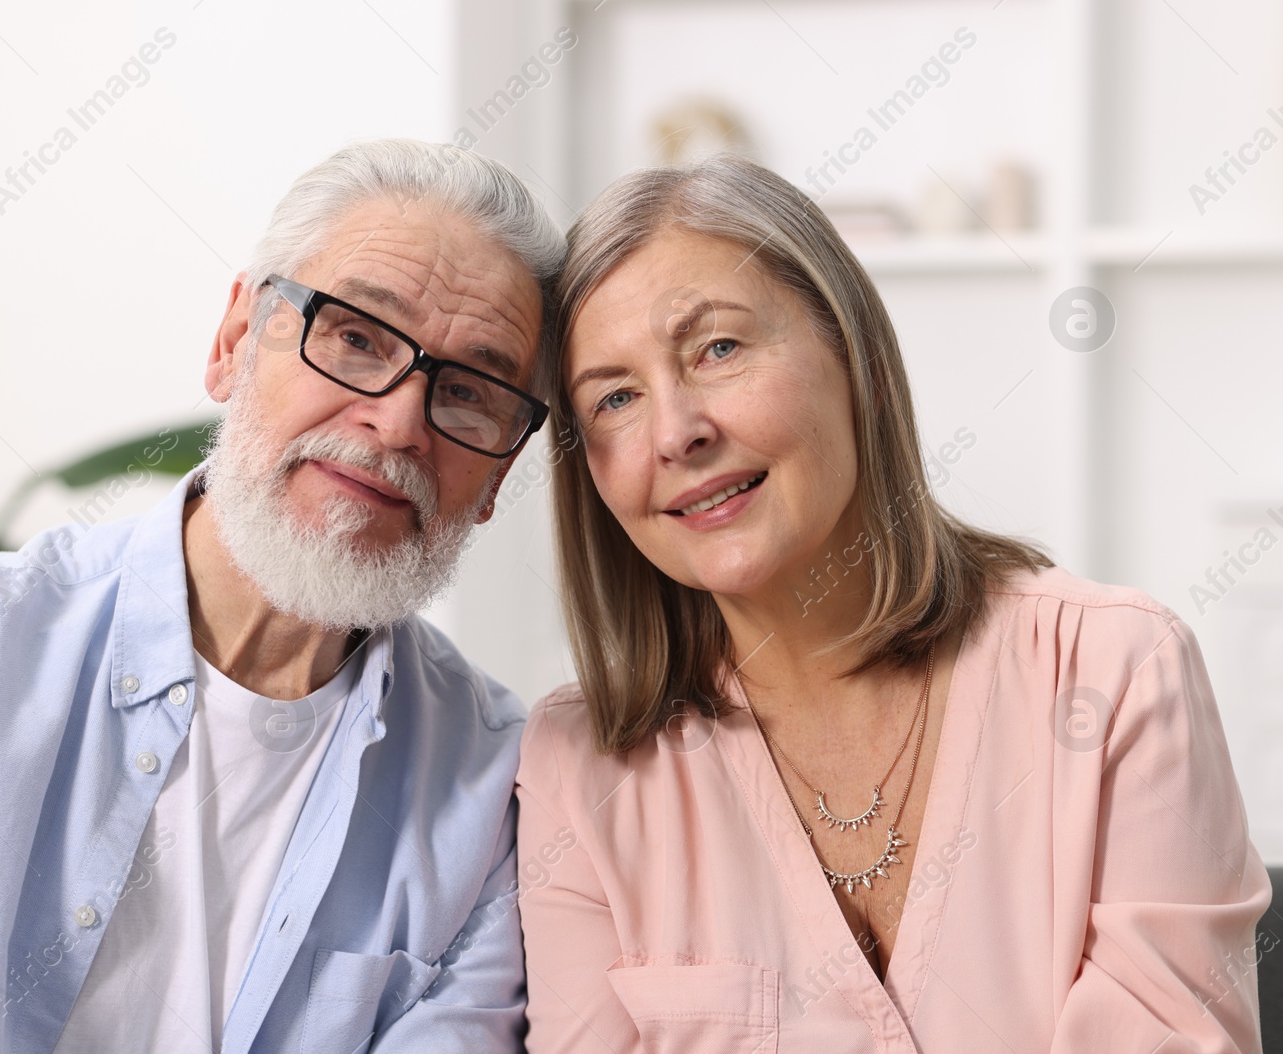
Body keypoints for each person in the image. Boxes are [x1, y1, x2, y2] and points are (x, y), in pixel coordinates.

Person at [0, 139, 562, 1053]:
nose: (397, 421)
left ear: (500, 474)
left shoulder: (490, 788)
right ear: (233, 343)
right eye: (354, 337)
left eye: (469, 392)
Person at [515, 155, 1270, 1052]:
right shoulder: (578, 765)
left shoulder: (1115, 672)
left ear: (855, 350)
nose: (678, 431)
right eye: (616, 398)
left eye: (718, 347)